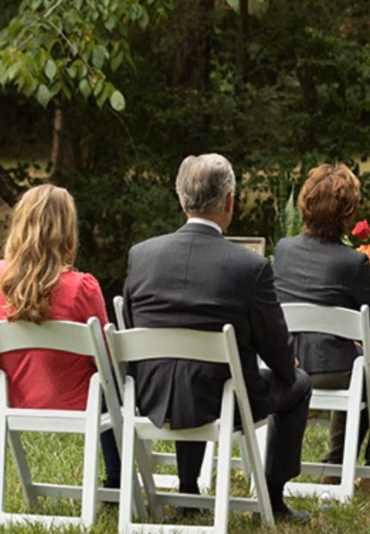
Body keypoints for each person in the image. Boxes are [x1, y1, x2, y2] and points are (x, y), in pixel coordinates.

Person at [121, 154, 313, 524]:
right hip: (221, 399)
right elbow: (274, 345)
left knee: (189, 374)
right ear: (229, 201)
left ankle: (189, 491)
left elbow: (131, 324)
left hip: (151, 394)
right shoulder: (249, 266)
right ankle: (273, 499)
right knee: (299, 385)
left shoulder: (141, 256)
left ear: (181, 199)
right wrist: (288, 368)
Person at [273, 164, 370, 494]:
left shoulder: (283, 250)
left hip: (289, 364)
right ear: (347, 215)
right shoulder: (353, 262)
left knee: (364, 365)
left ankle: (335, 467)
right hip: (334, 369)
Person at [0, 184, 121, 488]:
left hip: (17, 397)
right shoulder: (82, 287)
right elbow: (108, 361)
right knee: (115, 384)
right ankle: (117, 479)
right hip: (80, 399)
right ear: (67, 233)